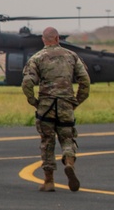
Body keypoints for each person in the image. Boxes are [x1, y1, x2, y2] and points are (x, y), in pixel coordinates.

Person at [21, 27, 91, 192]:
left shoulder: (37, 58)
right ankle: (68, 162)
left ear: (43, 40)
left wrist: (34, 101)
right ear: (58, 38)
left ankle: (49, 181)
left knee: (47, 141)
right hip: (66, 104)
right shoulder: (72, 56)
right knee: (67, 138)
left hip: (46, 106)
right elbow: (85, 81)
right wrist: (76, 101)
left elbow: (27, 83)